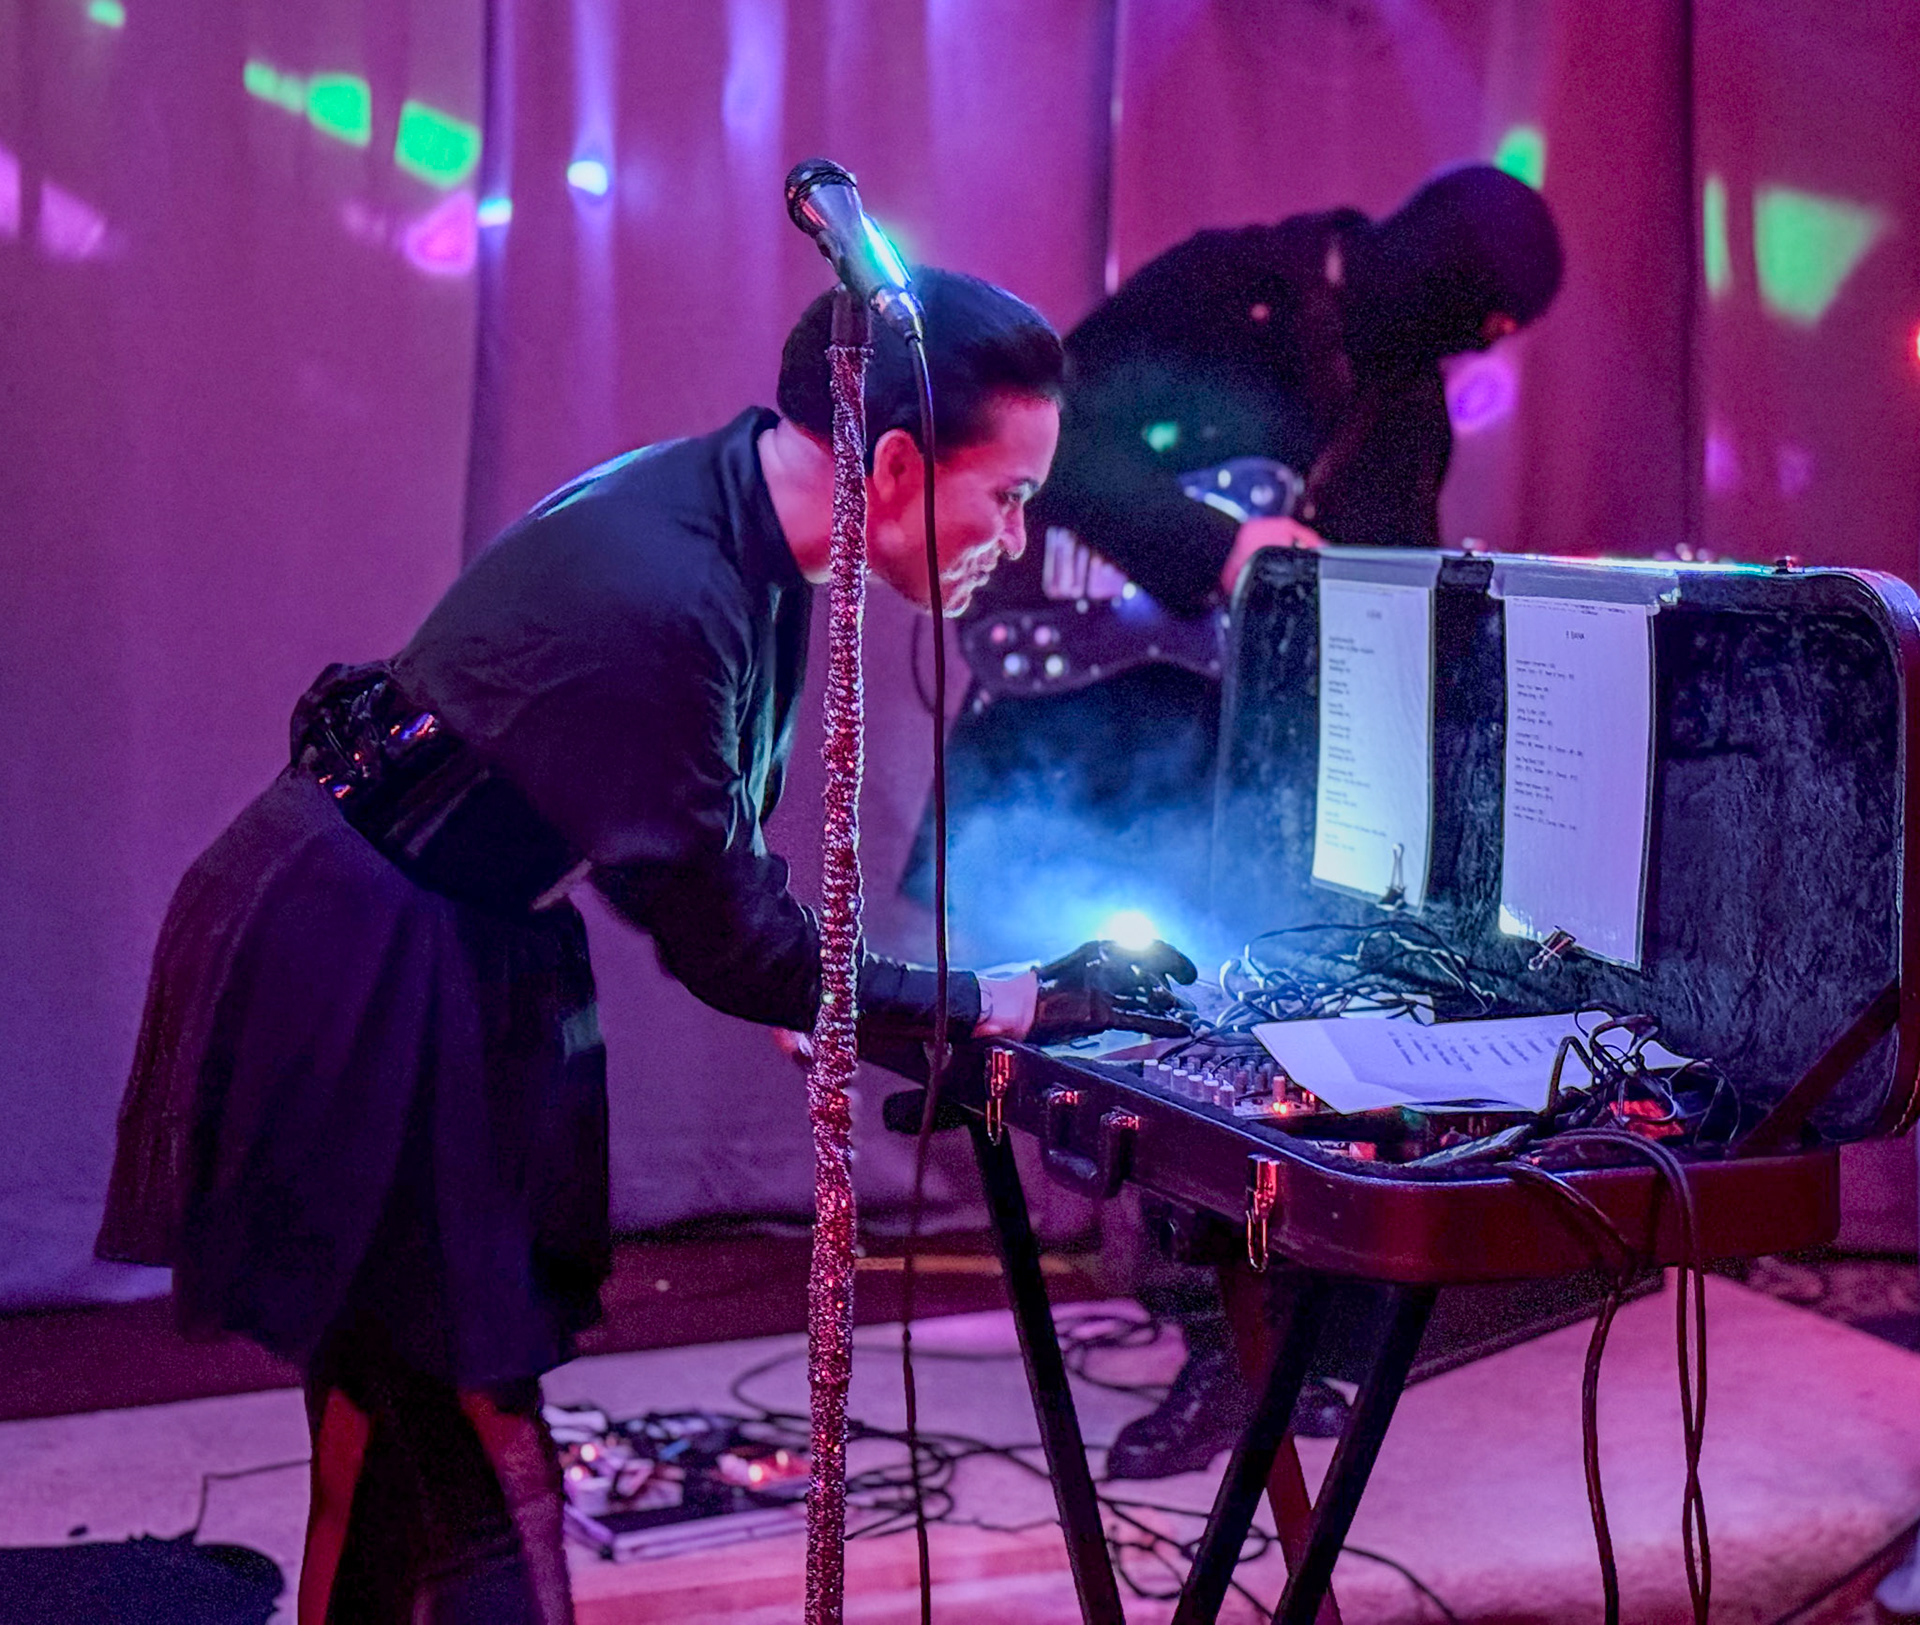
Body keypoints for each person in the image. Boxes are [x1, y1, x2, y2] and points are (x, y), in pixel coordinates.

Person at [95, 268, 1195, 1622]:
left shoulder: (738, 513)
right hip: (353, 962)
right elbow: (732, 942)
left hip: (413, 937)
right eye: (1011, 496)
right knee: (466, 1447)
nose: (1016, 542)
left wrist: (833, 989)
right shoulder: (675, 588)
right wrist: (1001, 1000)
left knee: (398, 1420)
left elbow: (663, 841)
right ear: (901, 463)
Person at [905, 165, 1564, 1477]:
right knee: (1107, 1032)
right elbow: (1047, 439)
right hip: (1092, 728)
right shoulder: (1225, 285)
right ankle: (1214, 1325)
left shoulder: (1404, 403)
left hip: (1248, 771)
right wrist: (1211, 547)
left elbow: (1385, 581)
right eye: (1483, 320)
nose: (1479, 350)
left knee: (1248, 1037)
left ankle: (1252, 1344)